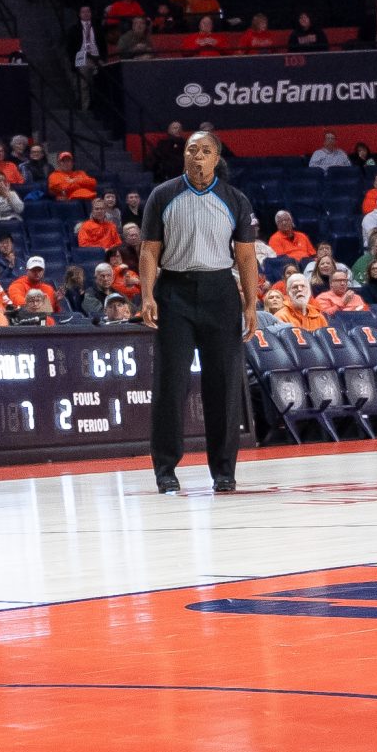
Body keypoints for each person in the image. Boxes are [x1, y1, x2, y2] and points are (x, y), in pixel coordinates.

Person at [138, 129, 259, 495]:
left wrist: (251, 303)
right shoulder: (163, 195)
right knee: (170, 384)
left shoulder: (234, 199)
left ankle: (224, 471)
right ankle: (165, 470)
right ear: (184, 156)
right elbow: (148, 250)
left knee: (223, 384)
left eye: (205, 151)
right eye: (192, 150)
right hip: (174, 289)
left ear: (216, 157)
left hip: (220, 291)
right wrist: (147, 295)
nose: (198, 156)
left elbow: (246, 256)